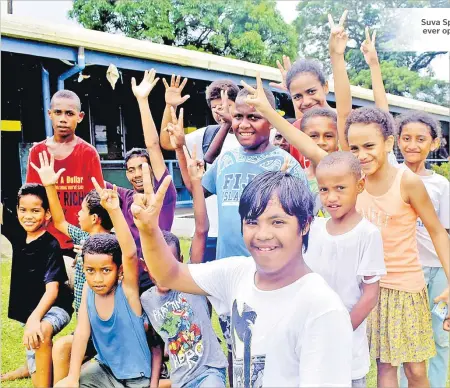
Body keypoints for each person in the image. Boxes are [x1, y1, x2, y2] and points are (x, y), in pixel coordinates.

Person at [132, 163, 353, 386]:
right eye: (252, 222)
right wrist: (149, 230)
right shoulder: (237, 273)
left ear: (305, 225)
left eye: (277, 222)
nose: (263, 234)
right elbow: (168, 274)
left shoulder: (322, 309)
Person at [55, 181, 156, 388]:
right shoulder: (88, 294)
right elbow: (82, 334)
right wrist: (73, 376)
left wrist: (114, 210)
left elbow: (129, 253)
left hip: (137, 379)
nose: (98, 279)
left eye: (106, 271)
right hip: (104, 371)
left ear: (119, 271)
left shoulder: (127, 291)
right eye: (90, 271)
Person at [140, 156, 228, 385]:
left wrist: (197, 184)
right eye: (156, 263)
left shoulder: (191, 281)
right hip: (180, 380)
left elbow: (201, 230)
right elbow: (158, 346)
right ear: (146, 265)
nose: (162, 269)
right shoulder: (147, 299)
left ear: (180, 260)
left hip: (210, 372)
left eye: (169, 261)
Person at [29, 150, 114, 384]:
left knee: (64, 347)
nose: (77, 213)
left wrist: (89, 252)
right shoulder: (82, 237)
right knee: (61, 347)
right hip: (84, 325)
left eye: (83, 210)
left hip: (106, 329)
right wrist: (49, 185)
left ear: (96, 218)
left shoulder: (113, 245)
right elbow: (59, 221)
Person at [304, 151, 386, 387]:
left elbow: (370, 295)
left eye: (340, 188)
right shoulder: (314, 229)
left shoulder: (367, 234)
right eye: (324, 190)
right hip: (312, 338)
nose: (331, 197)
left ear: (360, 186)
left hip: (346, 345)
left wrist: (339, 331)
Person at [105, 70, 177, 292]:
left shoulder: (164, 194)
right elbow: (92, 180)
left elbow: (153, 145)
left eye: (141, 167)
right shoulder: (124, 196)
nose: (136, 174)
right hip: (129, 272)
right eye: (130, 170)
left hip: (158, 271)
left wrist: (142, 101)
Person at [160, 77, 240, 264]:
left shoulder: (250, 135)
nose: (221, 112)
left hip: (243, 233)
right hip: (210, 232)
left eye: (227, 105)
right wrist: (169, 106)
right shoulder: (206, 134)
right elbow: (167, 142)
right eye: (215, 107)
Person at [396, 111, 450, 388]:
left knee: (441, 336)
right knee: (404, 339)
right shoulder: (391, 178)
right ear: (397, 141)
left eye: (420, 139)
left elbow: (445, 232)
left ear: (434, 143)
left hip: (438, 272)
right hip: (405, 273)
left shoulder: (441, 185)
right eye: (406, 138)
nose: (412, 145)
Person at [1, 184, 73, 387]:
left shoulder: (51, 245)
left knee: (40, 333)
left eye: (35, 210)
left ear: (47, 214)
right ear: (16, 211)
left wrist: (34, 319)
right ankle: (35, 367)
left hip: (55, 307)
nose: (28, 216)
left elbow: (53, 290)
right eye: (23, 210)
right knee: (38, 360)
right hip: (29, 311)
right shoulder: (17, 233)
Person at [26, 90, 104, 254]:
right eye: (58, 112)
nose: (63, 119)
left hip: (79, 240)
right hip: (45, 240)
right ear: (50, 114)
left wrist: (93, 240)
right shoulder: (37, 152)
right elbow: (31, 200)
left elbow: (97, 204)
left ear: (80, 117)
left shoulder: (88, 153)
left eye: (69, 113)